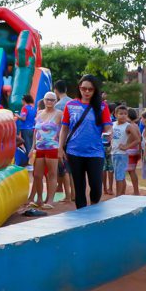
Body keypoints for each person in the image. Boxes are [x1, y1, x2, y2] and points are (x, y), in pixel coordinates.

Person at [58, 75, 113, 209]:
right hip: (74, 151)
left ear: (95, 90)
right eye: (84, 88)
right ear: (79, 88)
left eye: (90, 89)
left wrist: (109, 134)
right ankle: (81, 215)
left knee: (96, 185)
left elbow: (108, 126)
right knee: (79, 186)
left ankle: (94, 209)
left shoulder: (101, 106)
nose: (86, 92)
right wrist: (60, 148)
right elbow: (64, 128)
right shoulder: (70, 105)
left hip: (95, 152)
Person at [28, 92, 62, 209]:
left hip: (52, 147)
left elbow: (63, 131)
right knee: (37, 175)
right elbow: (35, 132)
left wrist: (62, 147)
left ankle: (50, 200)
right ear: (43, 100)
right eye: (47, 99)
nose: (50, 102)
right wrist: (32, 147)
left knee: (52, 174)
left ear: (56, 101)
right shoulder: (39, 113)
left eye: (52, 100)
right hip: (39, 148)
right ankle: (39, 199)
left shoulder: (59, 114)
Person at [111, 105, 141, 196]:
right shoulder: (113, 124)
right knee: (118, 175)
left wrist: (127, 147)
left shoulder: (128, 126)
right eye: (121, 114)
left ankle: (118, 196)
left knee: (119, 176)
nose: (123, 116)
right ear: (115, 114)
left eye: (125, 114)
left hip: (122, 154)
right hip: (113, 153)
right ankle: (121, 194)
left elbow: (138, 139)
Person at [15, 94, 36, 164]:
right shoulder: (33, 108)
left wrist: (17, 116)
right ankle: (31, 161)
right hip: (32, 129)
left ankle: (30, 162)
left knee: (27, 146)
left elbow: (23, 118)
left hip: (25, 129)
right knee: (30, 145)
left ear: (24, 100)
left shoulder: (25, 108)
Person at [125, 107, 141, 195]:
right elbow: (140, 138)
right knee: (132, 171)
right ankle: (136, 190)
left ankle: (135, 191)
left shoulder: (129, 126)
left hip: (129, 150)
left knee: (130, 172)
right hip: (135, 150)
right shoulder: (136, 125)